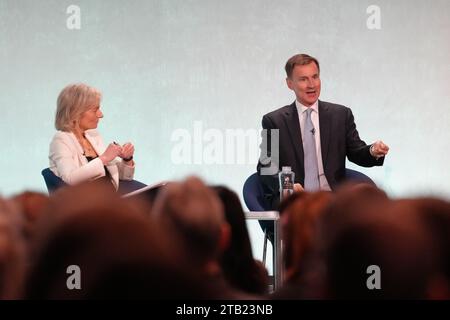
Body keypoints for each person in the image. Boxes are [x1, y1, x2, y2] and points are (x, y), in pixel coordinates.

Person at [257, 54, 389, 210]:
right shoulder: (274, 121)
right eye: (303, 79)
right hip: (297, 199)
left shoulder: (340, 115)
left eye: (315, 77)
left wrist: (373, 151)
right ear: (290, 83)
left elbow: (356, 152)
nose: (312, 85)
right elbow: (266, 165)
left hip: (333, 199)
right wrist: (289, 184)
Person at [49, 83, 135, 193]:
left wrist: (127, 159)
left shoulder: (93, 135)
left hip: (111, 200)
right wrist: (104, 158)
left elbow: (122, 177)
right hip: (87, 205)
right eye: (95, 110)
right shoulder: (61, 141)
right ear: (76, 112)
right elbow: (70, 179)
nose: (101, 115)